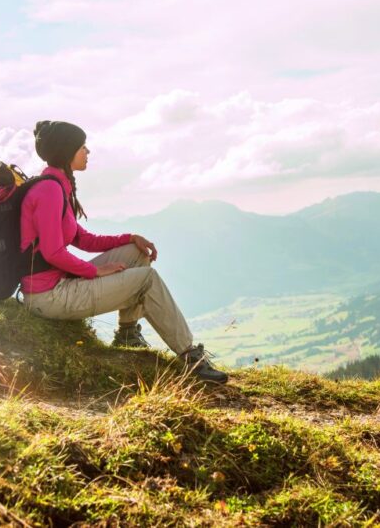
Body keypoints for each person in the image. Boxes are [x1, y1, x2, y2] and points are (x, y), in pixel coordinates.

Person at [20, 120, 228, 383]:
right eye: (82, 147)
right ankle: (190, 357)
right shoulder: (49, 190)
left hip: (56, 285)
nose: (88, 152)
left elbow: (81, 239)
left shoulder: (58, 185)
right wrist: (95, 271)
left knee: (135, 253)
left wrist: (130, 238)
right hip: (48, 297)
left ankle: (127, 332)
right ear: (66, 151)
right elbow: (52, 253)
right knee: (147, 279)